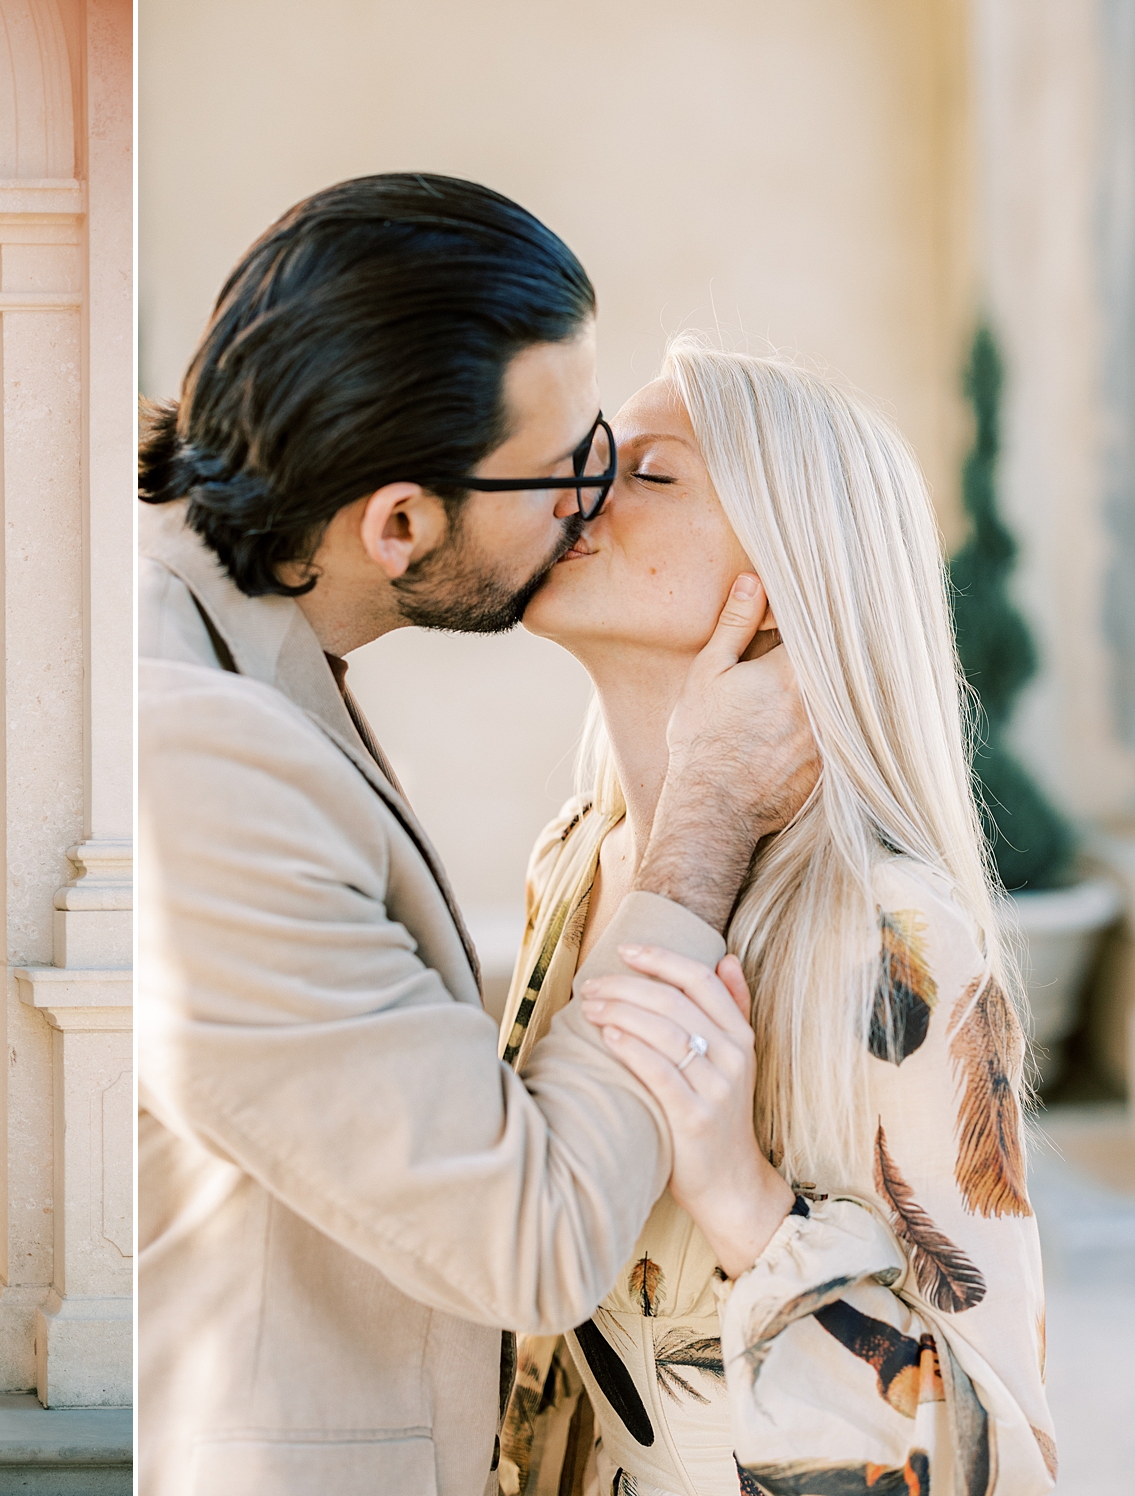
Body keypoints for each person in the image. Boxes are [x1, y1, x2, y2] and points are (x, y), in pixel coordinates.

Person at [137, 173, 817, 1495]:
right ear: (397, 523)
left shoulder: (238, 645)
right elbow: (533, 1239)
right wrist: (709, 812)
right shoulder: (195, 754)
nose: (591, 495)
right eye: (566, 469)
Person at [494, 339, 1056, 1496]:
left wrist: (744, 1198)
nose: (578, 489)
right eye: (595, 456)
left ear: (787, 575)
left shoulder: (895, 934)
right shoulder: (573, 862)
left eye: (651, 472)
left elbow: (997, 1460)